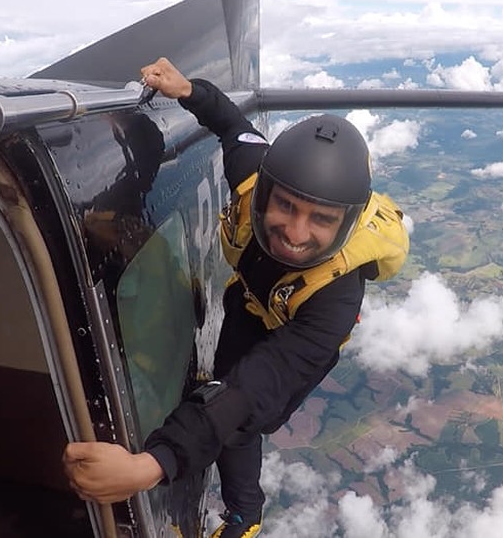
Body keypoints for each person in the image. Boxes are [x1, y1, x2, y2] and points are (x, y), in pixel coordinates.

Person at [63, 57, 409, 538]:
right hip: (248, 304)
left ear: (346, 224)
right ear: (265, 191)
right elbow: (231, 124)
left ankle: (246, 513)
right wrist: (188, 89)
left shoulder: (336, 299)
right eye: (285, 206)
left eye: (321, 219)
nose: (295, 232)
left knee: (241, 420)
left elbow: (247, 394)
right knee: (222, 386)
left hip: (294, 334)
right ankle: (213, 427)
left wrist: (152, 465)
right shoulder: (253, 179)